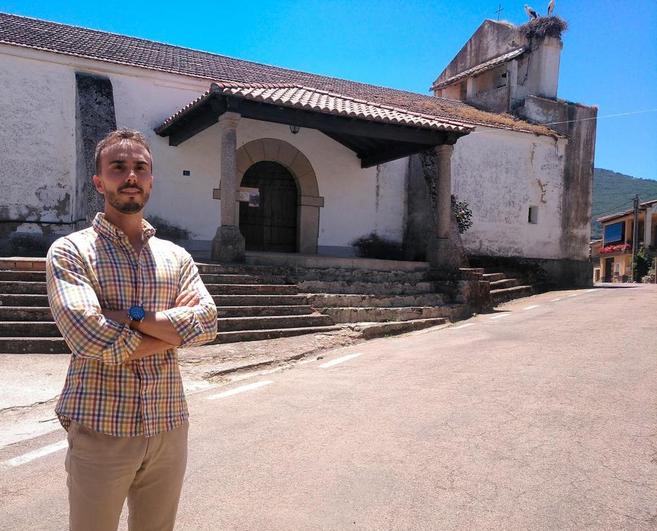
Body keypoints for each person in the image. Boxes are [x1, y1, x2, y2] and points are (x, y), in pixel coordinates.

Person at [46, 129, 218, 531]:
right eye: (118, 167)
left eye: (140, 167)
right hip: (102, 426)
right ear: (99, 181)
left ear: (152, 180)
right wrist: (172, 333)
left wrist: (129, 316)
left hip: (168, 423)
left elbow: (207, 323)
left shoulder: (176, 257)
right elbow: (88, 337)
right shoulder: (71, 251)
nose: (131, 176)